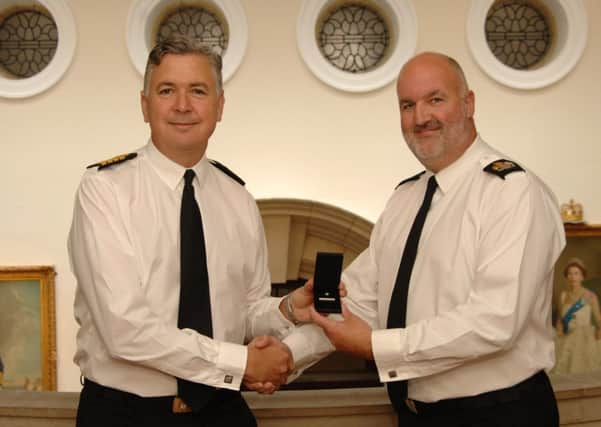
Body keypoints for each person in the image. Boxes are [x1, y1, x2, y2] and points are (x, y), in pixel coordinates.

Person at [283, 52, 566, 426]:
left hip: (498, 414)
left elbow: (494, 320)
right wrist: (287, 355)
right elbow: (360, 299)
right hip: (415, 416)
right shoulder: (405, 198)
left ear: (468, 103)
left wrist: (374, 346)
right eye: (407, 105)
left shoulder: (511, 191)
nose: (420, 117)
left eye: (435, 99)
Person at [68, 35, 297, 427]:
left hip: (220, 412)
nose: (182, 105)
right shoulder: (105, 189)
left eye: (198, 91)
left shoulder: (239, 199)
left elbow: (244, 312)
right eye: (167, 90)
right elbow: (124, 329)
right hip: (125, 413)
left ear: (220, 106)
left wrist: (289, 308)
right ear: (145, 104)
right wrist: (243, 364)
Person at [553, 258, 601, 374]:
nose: (573, 277)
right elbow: (560, 319)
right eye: (570, 274)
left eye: (576, 273)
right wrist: (559, 329)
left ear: (582, 277)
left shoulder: (590, 296)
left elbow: (599, 319)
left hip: (585, 337)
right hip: (567, 335)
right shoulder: (563, 296)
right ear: (566, 277)